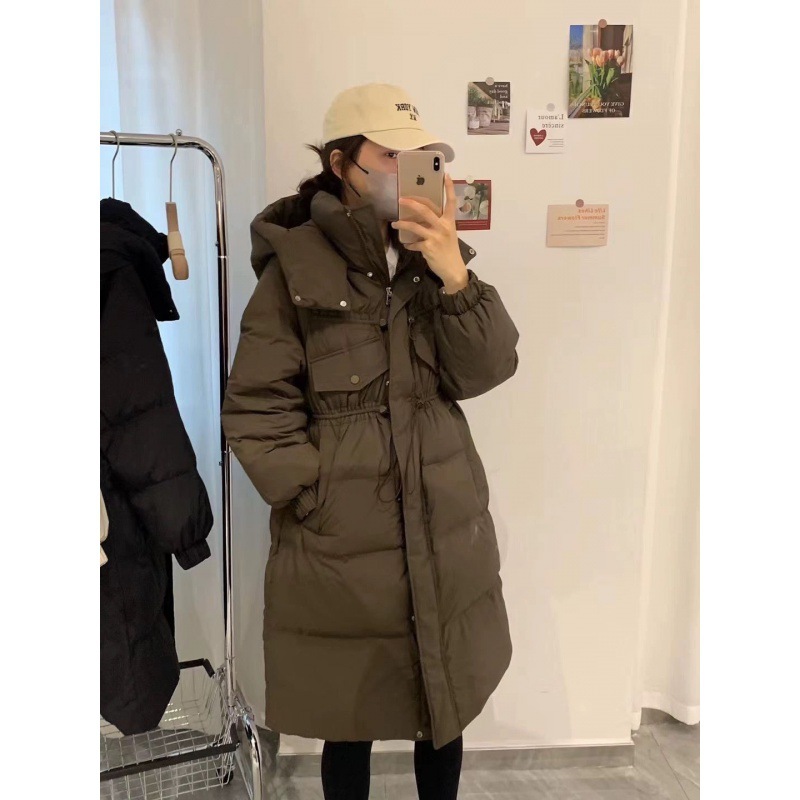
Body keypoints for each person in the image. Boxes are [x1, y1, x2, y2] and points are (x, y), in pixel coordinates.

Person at [222, 83, 520, 800]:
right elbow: (257, 405)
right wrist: (312, 496)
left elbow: (486, 370)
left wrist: (455, 274)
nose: (404, 170)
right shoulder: (296, 267)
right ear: (340, 164)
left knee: (442, 709)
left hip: (442, 522)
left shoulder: (433, 261)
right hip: (344, 544)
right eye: (388, 155)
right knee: (347, 716)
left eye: (419, 158)